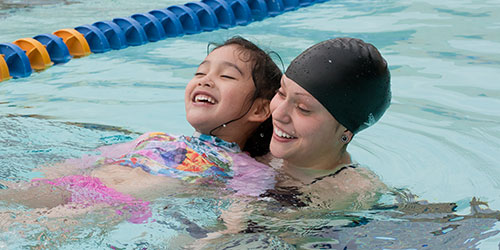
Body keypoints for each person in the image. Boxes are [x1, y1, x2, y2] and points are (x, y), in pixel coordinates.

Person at [0, 36, 282, 224]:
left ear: (259, 110)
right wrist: (52, 178)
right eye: (200, 72)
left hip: (111, 206)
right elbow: (81, 164)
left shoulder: (244, 168)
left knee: (21, 224)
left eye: (226, 76)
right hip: (78, 186)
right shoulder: (157, 137)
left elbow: (240, 212)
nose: (205, 80)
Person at [262, 37, 392, 210]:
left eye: (303, 108)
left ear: (346, 132)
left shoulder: (355, 194)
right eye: (281, 93)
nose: (278, 114)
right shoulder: (257, 150)